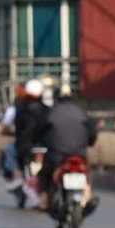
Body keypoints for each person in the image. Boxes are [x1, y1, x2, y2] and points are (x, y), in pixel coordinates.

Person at [34, 84, 99, 216]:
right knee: (86, 172)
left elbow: (39, 131)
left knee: (44, 174)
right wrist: (89, 143)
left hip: (56, 155)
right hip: (79, 153)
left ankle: (44, 201)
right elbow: (92, 131)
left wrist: (39, 141)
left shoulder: (51, 112)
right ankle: (87, 195)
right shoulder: (81, 111)